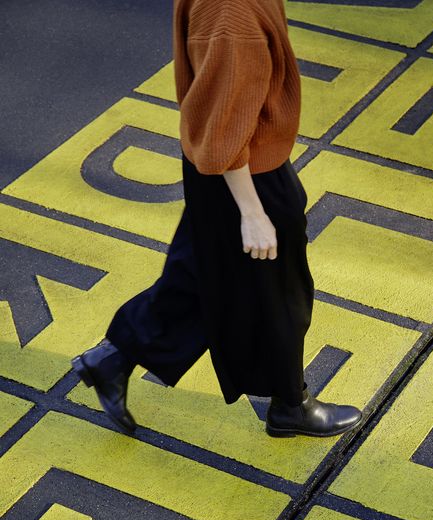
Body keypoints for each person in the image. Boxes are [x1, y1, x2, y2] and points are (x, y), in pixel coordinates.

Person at [71, 0, 362, 438]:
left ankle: (115, 356)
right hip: (244, 171)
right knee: (282, 293)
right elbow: (225, 127)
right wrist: (252, 212)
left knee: (200, 274)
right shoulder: (232, 13)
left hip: (221, 163)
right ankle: (291, 406)